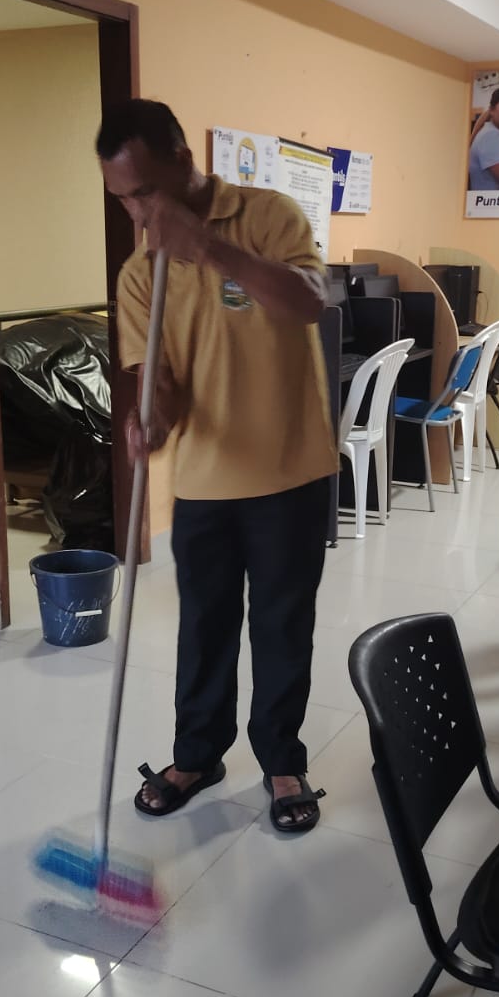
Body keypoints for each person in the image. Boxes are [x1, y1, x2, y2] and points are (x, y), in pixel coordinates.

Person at [98, 99, 338, 834]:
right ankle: (197, 756)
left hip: (290, 472)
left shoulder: (269, 216)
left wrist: (209, 249)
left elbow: (307, 303)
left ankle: (282, 761)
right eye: (123, 199)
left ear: (182, 158)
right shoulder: (140, 275)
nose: (138, 214)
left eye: (144, 191)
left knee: (281, 625)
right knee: (203, 628)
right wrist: (149, 418)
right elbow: (160, 383)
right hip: (203, 482)